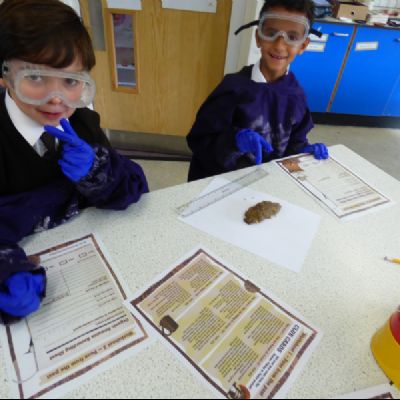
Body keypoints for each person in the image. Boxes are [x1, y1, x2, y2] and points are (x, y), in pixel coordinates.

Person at [0, 0, 148, 319]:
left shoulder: (82, 124)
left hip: (91, 268)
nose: (57, 98)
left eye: (70, 81)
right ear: (4, 75)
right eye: (36, 77)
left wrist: (97, 170)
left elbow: (134, 186)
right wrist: (5, 271)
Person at [186, 0, 329, 181]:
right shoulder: (233, 89)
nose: (279, 45)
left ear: (303, 45)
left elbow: (294, 142)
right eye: (271, 33)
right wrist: (233, 141)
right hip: (221, 183)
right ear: (258, 37)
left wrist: (303, 152)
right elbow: (199, 140)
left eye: (292, 37)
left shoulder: (296, 96)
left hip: (264, 184)